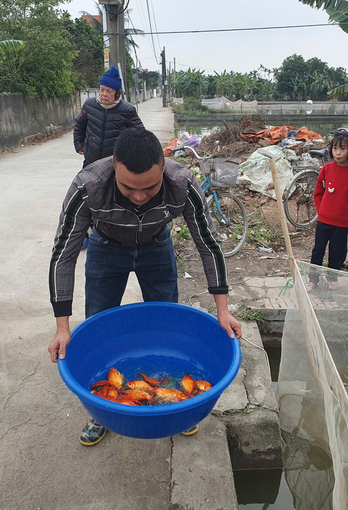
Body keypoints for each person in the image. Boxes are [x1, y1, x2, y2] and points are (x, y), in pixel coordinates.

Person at [48, 128, 242, 446]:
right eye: (128, 188)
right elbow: (63, 255)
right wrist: (61, 327)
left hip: (156, 245)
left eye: (150, 188)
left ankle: (180, 406)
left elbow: (208, 243)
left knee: (167, 319)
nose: (139, 196)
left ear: (163, 169)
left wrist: (223, 310)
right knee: (98, 322)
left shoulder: (182, 184)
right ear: (113, 167)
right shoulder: (89, 186)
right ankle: (100, 411)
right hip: (106, 247)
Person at [74, 67, 145, 249]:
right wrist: (79, 145)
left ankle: (112, 233)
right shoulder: (89, 105)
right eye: (102, 89)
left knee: (112, 198)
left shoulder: (127, 110)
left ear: (117, 93)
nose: (104, 94)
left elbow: (140, 134)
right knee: (87, 197)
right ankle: (86, 234)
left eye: (109, 91)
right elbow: (79, 126)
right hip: (90, 161)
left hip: (114, 165)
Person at [305, 130, 348, 292]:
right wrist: (322, 210)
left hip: (342, 222)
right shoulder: (326, 169)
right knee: (318, 250)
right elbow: (318, 193)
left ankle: (332, 278)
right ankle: (313, 279)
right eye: (335, 149)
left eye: (343, 149)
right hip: (324, 220)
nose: (338, 153)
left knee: (337, 252)